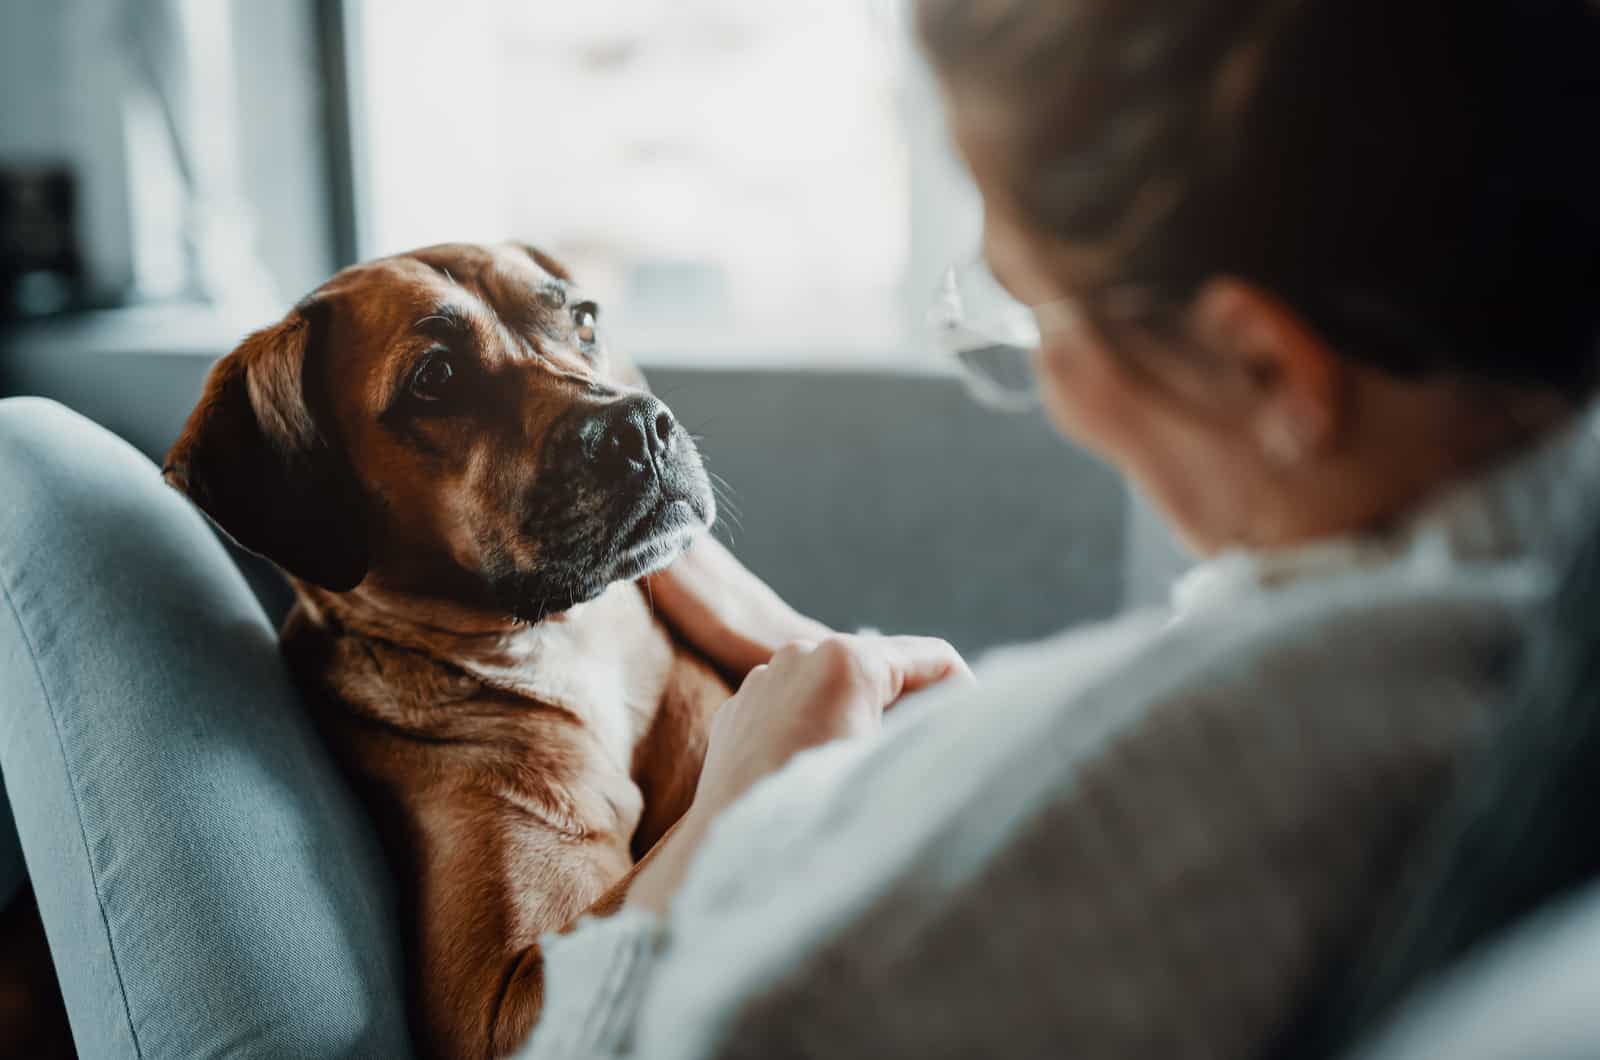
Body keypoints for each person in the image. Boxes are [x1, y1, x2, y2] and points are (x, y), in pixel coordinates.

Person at [515, 1, 1600, 1057]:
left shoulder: (1171, 789)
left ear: (1267, 370)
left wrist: (739, 813)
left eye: (1028, 309)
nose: (1056, 392)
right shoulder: (1522, 584)